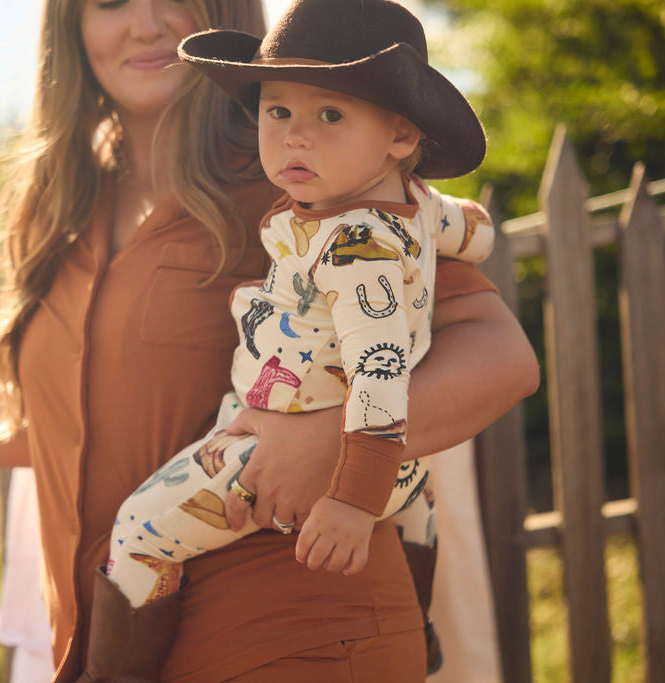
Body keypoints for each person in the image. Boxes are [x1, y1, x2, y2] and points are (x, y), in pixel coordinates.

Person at [0, 0, 539, 680]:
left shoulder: (311, 168)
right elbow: (66, 433)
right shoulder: (66, 214)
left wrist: (330, 446)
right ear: (72, 27)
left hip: (296, 635)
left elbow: (502, 361)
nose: (147, 20)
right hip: (134, 643)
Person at [93, 1, 497, 678]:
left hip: (292, 461)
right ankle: (423, 627)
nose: (295, 138)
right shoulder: (416, 204)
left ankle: (114, 674)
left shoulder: (355, 252)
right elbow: (474, 230)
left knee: (138, 529)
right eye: (277, 112)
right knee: (420, 496)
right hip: (397, 472)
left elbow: (379, 368)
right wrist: (464, 226)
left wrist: (348, 496)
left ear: (400, 134)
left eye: (329, 114)